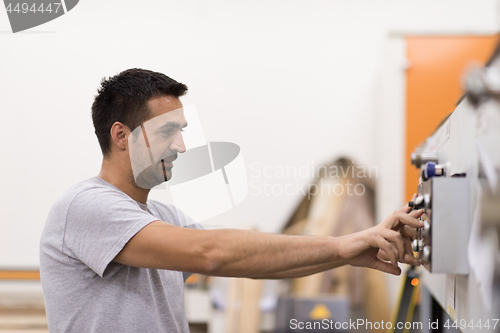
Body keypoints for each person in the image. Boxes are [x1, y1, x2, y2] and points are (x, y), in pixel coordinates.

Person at [39, 68, 423, 333]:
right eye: (169, 131)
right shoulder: (86, 206)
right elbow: (213, 253)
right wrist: (341, 245)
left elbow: (255, 263)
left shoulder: (159, 214)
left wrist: (349, 251)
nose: (182, 145)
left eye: (182, 131)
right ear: (121, 136)